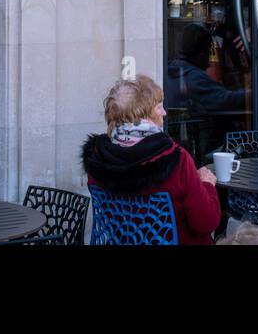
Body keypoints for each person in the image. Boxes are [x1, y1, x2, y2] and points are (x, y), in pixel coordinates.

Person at [81, 74, 221, 244]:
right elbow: (206, 223)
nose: (164, 112)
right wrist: (206, 184)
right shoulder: (176, 160)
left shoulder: (98, 157)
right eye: (158, 106)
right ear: (142, 114)